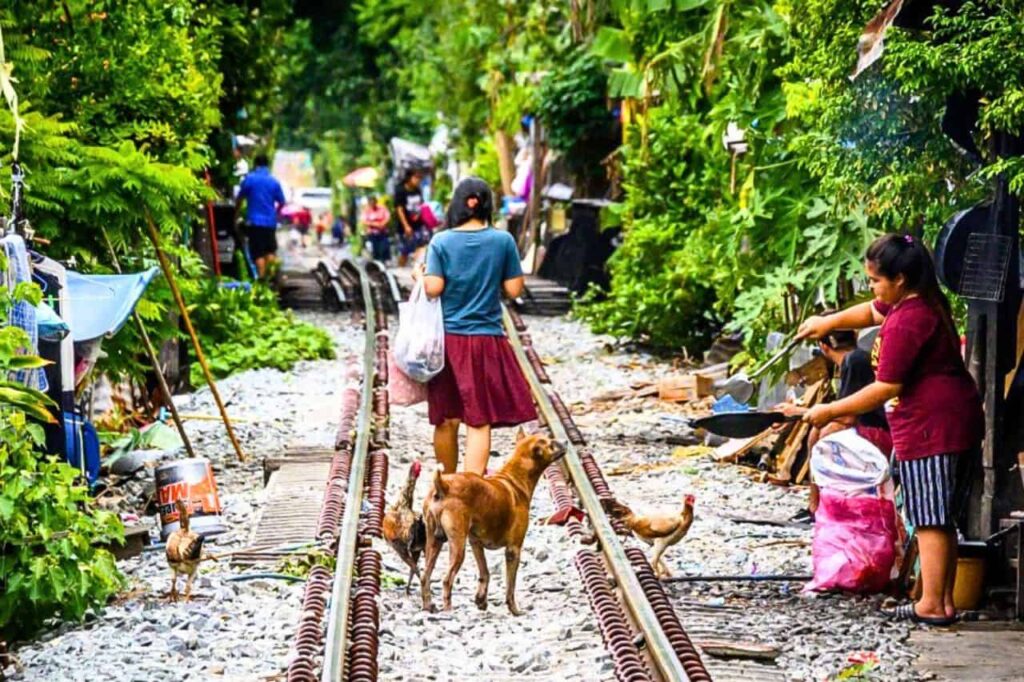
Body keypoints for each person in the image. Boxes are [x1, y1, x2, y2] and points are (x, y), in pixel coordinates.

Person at [797, 233, 982, 626]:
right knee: (941, 517)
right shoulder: (917, 302)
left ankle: (931, 603)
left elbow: (886, 387)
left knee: (930, 517)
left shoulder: (909, 320)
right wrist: (826, 322)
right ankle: (940, 601)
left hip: (932, 428)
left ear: (899, 279)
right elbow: (869, 312)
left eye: (876, 280)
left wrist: (828, 409)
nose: (872, 288)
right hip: (948, 422)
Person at [412, 177, 536, 475]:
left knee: (446, 419)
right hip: (486, 340)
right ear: (487, 205)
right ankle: (468, 490)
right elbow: (515, 289)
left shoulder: (441, 241)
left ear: (457, 204)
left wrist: (419, 275)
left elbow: (434, 288)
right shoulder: (503, 240)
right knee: (479, 421)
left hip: (447, 342)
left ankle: (448, 482)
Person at [776, 327, 891, 517]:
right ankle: (816, 506)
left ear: (823, 346)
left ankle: (824, 506)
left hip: (880, 434)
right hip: (872, 430)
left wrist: (798, 411)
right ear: (854, 335)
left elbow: (847, 416)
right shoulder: (852, 361)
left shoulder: (855, 361)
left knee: (829, 431)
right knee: (818, 430)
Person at [236, 154, 286, 278]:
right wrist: (276, 213)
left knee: (258, 253)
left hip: (254, 222)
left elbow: (240, 199)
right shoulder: (274, 182)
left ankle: (262, 280)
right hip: (270, 223)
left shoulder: (249, 179)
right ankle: (271, 278)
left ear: (255, 164)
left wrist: (236, 214)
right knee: (270, 251)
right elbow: (282, 202)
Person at [394, 170, 429, 266]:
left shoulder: (417, 190)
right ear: (409, 178)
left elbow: (421, 205)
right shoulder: (400, 190)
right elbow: (399, 209)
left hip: (418, 225)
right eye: (416, 177)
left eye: (419, 178)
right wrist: (406, 226)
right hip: (404, 227)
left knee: (421, 247)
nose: (418, 180)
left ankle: (418, 269)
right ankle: (400, 270)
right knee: (404, 252)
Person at [361, 196, 391, 263]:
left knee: (384, 248)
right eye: (370, 203)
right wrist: (375, 224)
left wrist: (382, 224)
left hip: (382, 232)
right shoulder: (366, 210)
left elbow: (387, 217)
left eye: (373, 202)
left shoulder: (382, 208)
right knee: (375, 249)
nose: (372, 204)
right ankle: (377, 263)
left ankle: (384, 261)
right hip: (372, 234)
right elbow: (364, 221)